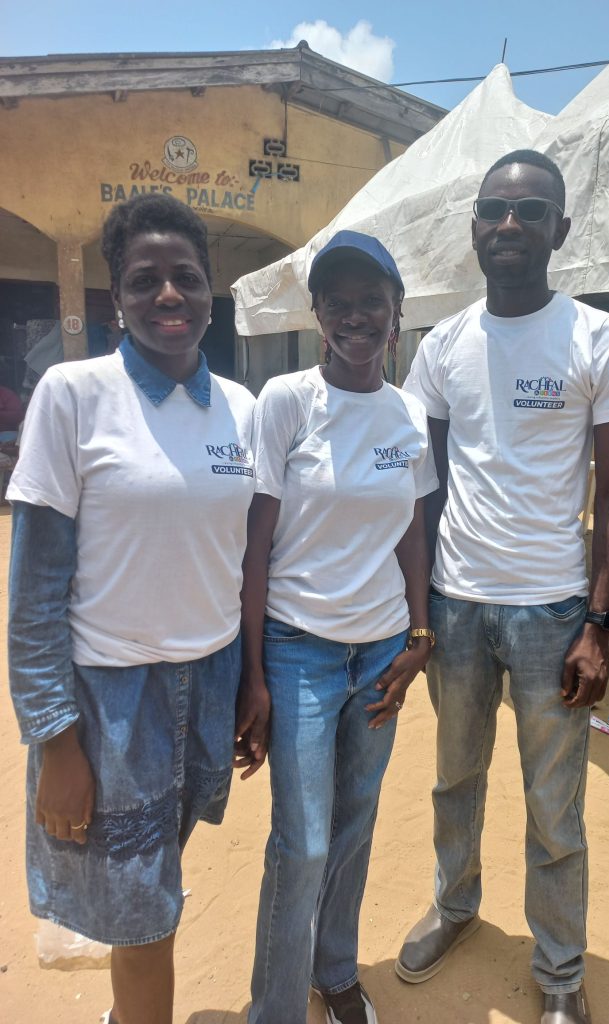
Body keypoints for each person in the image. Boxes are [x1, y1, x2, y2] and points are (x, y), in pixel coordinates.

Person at [395, 150, 609, 1024]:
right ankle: (455, 906)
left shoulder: (599, 340)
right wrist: (419, 612)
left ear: (560, 230)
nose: (510, 224)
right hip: (458, 603)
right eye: (495, 210)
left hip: (553, 610)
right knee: (454, 779)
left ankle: (559, 970)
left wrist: (600, 624)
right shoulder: (442, 345)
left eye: (531, 211)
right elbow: (423, 487)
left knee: (555, 805)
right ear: (475, 227)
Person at [7, 193, 269, 1024]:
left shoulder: (242, 408)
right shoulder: (73, 395)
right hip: (112, 705)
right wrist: (56, 741)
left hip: (210, 684)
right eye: (144, 279)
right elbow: (34, 593)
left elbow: (243, 565)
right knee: (147, 916)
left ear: (210, 290)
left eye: (185, 276)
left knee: (154, 890)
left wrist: (249, 683)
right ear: (116, 296)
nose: (168, 294)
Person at [240, 230, 437, 1024]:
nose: (356, 316)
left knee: (355, 823)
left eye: (371, 303)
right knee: (305, 841)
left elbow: (412, 532)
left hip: (382, 652)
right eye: (338, 304)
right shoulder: (286, 402)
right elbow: (255, 547)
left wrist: (419, 636)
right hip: (299, 652)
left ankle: (336, 970)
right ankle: (276, 1008)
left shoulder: (408, 412)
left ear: (396, 315)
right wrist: (253, 674)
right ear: (318, 316)